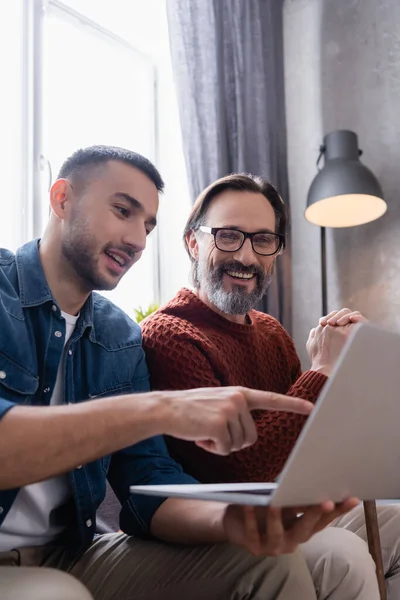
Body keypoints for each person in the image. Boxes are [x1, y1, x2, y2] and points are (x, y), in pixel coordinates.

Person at [0, 147, 359, 600]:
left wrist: (230, 520)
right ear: (62, 199)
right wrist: (161, 408)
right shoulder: (5, 293)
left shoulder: (117, 335)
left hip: (73, 551)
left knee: (271, 562)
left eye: (147, 225)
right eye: (122, 211)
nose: (137, 239)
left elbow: (147, 483)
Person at [142, 172, 400, 600]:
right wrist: (321, 370)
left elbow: (308, 445)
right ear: (193, 242)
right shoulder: (170, 335)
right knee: (345, 555)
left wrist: (356, 370)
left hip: (290, 509)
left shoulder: (270, 332)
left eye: (263, 240)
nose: (246, 256)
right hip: (223, 526)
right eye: (228, 236)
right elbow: (242, 474)